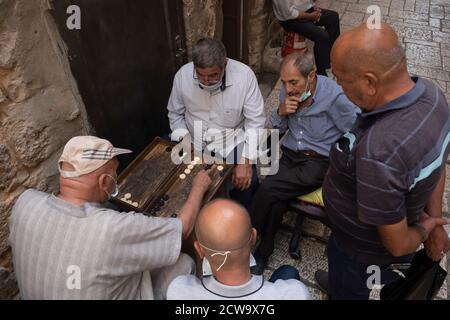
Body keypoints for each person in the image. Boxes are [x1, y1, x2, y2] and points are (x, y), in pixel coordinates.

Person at [317, 23, 450, 300]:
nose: (338, 87)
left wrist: (426, 228)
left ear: (369, 82)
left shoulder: (379, 151)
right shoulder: (433, 95)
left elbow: (399, 245)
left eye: (341, 79)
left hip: (360, 255)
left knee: (350, 290)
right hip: (356, 242)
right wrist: (435, 220)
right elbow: (436, 166)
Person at [9, 136, 212, 300]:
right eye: (115, 172)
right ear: (105, 182)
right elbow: (183, 229)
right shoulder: (110, 229)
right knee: (182, 262)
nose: (116, 176)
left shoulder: (25, 202)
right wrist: (198, 187)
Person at [250, 51, 358, 275]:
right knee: (277, 200)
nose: (288, 88)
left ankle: (243, 238)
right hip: (290, 154)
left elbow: (356, 131)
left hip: (318, 162)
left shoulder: (335, 97)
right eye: (284, 82)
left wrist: (343, 166)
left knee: (269, 187)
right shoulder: (286, 93)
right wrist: (280, 113)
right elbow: (276, 132)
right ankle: (263, 253)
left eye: (293, 82)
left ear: (311, 75)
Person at [167, 38, 266, 210]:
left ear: (225, 64)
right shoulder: (183, 76)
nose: (206, 81)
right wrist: (184, 139)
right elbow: (175, 113)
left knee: (246, 182)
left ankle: (245, 225)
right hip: (194, 141)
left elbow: (255, 122)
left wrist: (245, 161)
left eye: (213, 75)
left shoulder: (244, 77)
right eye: (201, 76)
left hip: (232, 142)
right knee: (177, 180)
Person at [167, 199, 311, 300]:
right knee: (289, 271)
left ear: (199, 249)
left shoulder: (178, 290)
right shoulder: (296, 294)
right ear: (253, 237)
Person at [272, 0, 340, 77]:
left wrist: (313, 6)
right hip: (291, 20)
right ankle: (321, 71)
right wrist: (310, 16)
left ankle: (333, 54)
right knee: (322, 36)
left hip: (305, 11)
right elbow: (288, 15)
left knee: (333, 17)